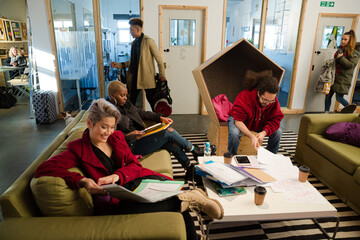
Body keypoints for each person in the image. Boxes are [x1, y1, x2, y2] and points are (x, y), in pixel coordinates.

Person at [34, 98, 224, 240]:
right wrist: (81, 181)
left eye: (111, 127)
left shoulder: (116, 138)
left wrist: (117, 175)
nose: (108, 132)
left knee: (170, 202)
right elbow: (43, 169)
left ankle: (189, 200)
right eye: (103, 127)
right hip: (119, 199)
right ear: (90, 123)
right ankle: (190, 198)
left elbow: (134, 165)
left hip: (138, 182)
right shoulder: (78, 149)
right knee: (131, 208)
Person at [107, 81, 203, 181]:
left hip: (142, 137)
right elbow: (112, 137)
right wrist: (130, 135)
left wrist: (160, 117)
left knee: (172, 143)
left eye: (126, 95)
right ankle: (193, 149)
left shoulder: (125, 104)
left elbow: (141, 112)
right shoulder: (109, 113)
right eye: (122, 95)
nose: (125, 98)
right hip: (131, 146)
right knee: (169, 132)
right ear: (112, 95)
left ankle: (189, 168)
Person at [111, 18, 166, 108]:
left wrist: (162, 75)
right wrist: (118, 65)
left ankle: (159, 120)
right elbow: (132, 62)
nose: (130, 32)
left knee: (153, 103)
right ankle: (130, 120)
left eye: (131, 30)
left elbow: (159, 60)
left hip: (147, 78)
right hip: (134, 78)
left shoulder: (149, 41)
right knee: (130, 102)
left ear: (138, 29)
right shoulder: (133, 43)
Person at [227, 70, 284, 155]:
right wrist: (251, 136)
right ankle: (232, 156)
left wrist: (264, 132)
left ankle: (270, 157)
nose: (267, 103)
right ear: (258, 93)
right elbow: (238, 121)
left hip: (258, 122)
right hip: (240, 120)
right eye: (265, 99)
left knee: (278, 133)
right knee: (234, 134)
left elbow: (275, 120)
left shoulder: (273, 101)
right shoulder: (244, 96)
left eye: (271, 100)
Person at [325, 30, 360, 114]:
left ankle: (353, 111)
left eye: (345, 39)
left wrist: (341, 58)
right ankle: (325, 113)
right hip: (334, 76)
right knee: (328, 95)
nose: (343, 41)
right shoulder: (341, 49)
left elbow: (351, 65)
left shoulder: (355, 52)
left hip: (343, 79)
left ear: (350, 41)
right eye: (342, 39)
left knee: (339, 98)